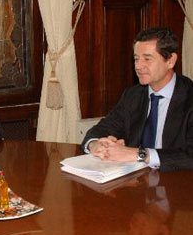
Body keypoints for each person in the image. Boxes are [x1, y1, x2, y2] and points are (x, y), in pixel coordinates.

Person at [82, 27, 193, 171]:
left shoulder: (189, 97)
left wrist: (138, 154)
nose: (138, 66)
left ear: (170, 61)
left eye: (147, 59)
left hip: (178, 183)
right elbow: (102, 128)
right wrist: (96, 144)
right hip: (136, 181)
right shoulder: (133, 95)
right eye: (136, 59)